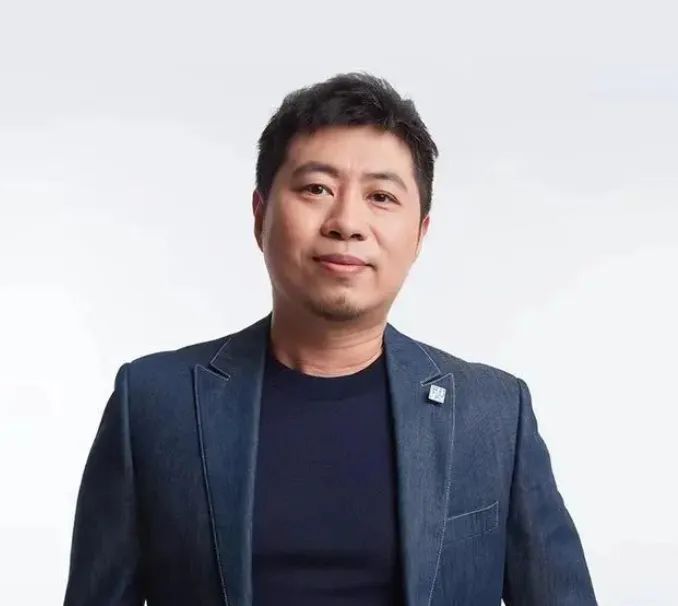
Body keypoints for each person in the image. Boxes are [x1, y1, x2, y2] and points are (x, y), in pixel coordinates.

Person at [63, 72, 598, 606]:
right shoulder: (154, 402)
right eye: (316, 188)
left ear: (419, 235)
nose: (347, 222)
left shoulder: (493, 414)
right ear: (260, 215)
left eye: (381, 196)